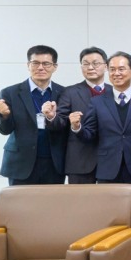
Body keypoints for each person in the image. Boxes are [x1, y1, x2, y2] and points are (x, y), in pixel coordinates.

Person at [71, 52, 131, 187]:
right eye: (112, 70)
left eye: (121, 69)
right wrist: (77, 127)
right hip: (108, 169)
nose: (116, 73)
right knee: (108, 207)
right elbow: (89, 134)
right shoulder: (97, 102)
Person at [0, 45, 67, 185]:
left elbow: (64, 125)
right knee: (19, 206)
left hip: (54, 162)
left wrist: (52, 117)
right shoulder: (10, 92)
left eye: (46, 63)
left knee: (52, 205)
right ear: (28, 65)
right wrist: (4, 115)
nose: (40, 67)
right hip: (20, 162)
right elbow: (5, 130)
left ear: (54, 67)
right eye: (35, 63)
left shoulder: (64, 93)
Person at [48, 47, 109, 184]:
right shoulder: (70, 92)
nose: (90, 67)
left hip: (111, 162)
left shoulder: (114, 92)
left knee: (110, 205)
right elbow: (60, 122)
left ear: (106, 67)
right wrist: (52, 117)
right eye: (85, 63)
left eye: (96, 63)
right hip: (80, 162)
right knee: (81, 204)